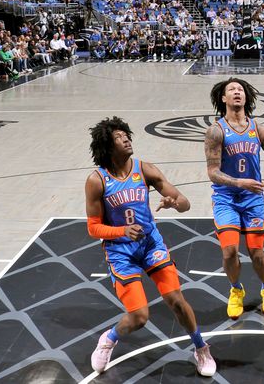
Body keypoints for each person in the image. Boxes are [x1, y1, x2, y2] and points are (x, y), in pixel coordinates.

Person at [85, 117, 216, 377]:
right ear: (107, 147)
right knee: (139, 317)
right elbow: (93, 228)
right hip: (120, 252)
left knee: (176, 300)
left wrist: (173, 202)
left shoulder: (145, 169)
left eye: (127, 134)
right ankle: (109, 339)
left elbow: (185, 203)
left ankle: (201, 348)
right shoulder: (97, 181)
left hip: (150, 243)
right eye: (119, 137)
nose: (127, 139)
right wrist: (122, 231)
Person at [204, 78, 264, 319]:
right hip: (226, 198)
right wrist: (238, 182)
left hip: (252, 199)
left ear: (245, 98)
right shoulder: (216, 131)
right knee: (229, 252)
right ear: (223, 98)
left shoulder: (258, 129)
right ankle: (236, 290)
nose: (236, 92)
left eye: (240, 90)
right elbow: (212, 172)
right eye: (231, 90)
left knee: (257, 253)